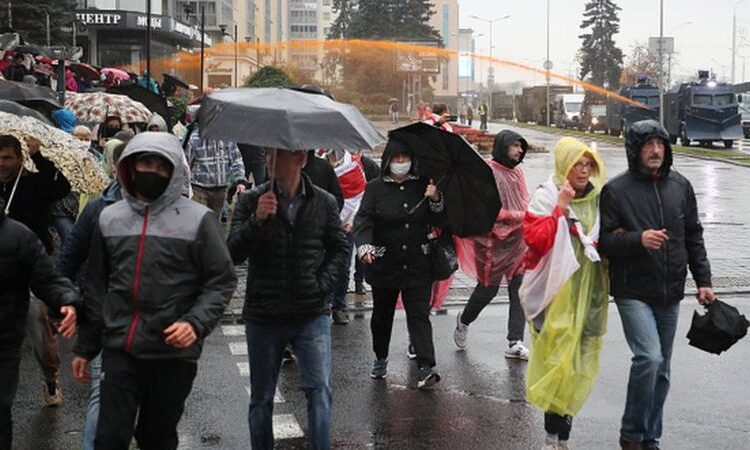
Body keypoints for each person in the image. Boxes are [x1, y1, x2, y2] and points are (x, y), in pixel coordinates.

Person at [71, 132, 237, 449]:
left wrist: (195, 323)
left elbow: (221, 279)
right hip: (121, 348)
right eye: (146, 163)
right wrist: (86, 346)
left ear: (176, 171)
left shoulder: (198, 219)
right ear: (130, 166)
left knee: (156, 437)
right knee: (109, 437)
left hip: (172, 353)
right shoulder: (109, 217)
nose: (153, 172)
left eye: (162, 167)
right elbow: (96, 284)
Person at [598, 120, 714, 450]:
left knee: (663, 368)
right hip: (632, 289)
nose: (656, 150)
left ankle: (650, 437)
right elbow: (603, 241)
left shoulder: (680, 186)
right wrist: (638, 239)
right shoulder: (616, 191)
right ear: (635, 150)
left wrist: (704, 280)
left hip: (670, 289)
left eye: (660, 143)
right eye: (648, 144)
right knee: (648, 357)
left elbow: (693, 235)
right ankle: (631, 434)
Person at [227, 148, 348, 450]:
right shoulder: (251, 200)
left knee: (319, 389)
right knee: (261, 399)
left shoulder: (323, 201)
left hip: (311, 312)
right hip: (264, 313)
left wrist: (322, 285)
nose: (270, 160)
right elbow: (231, 253)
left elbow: (339, 248)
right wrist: (256, 220)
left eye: (279, 155)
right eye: (268, 155)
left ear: (300, 159)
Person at [520, 137, 608, 449]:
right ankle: (550, 434)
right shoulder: (546, 196)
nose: (583, 171)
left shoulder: (598, 200)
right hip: (555, 293)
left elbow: (608, 238)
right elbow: (535, 240)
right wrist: (560, 208)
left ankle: (564, 436)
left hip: (590, 290)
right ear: (563, 165)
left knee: (579, 361)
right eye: (577, 164)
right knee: (558, 362)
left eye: (588, 165)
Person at [353, 138, 445, 389]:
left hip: (417, 262)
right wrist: (364, 246)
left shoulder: (424, 185)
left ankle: (426, 365)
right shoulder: (375, 188)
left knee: (419, 315)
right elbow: (363, 221)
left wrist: (435, 198)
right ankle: (380, 357)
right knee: (382, 316)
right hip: (385, 263)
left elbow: (441, 218)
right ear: (388, 161)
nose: (401, 163)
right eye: (397, 159)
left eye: (405, 159)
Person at [58, 140, 125, 450]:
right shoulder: (98, 210)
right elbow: (68, 259)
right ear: (116, 169)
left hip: (148, 321)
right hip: (102, 315)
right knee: (103, 391)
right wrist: (69, 302)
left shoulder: (164, 210)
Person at [0, 196, 78, 450]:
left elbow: (47, 278)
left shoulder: (17, 236)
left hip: (4, 339)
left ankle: (51, 376)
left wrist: (66, 299)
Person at [0, 134, 71, 407]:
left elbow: (62, 187)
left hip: (31, 269)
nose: (2, 164)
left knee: (39, 331)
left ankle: (51, 377)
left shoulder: (34, 182)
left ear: (19, 158)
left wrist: (39, 157)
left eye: (8, 157)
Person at [453, 130, 530, 359]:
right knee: (488, 289)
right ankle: (464, 320)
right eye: (515, 146)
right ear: (503, 146)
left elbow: (524, 201)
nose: (519, 151)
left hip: (517, 240)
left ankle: (514, 341)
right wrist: (519, 216)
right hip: (490, 242)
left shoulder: (518, 174)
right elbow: (485, 211)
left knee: (519, 287)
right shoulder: (486, 172)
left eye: (521, 146)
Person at [326, 149, 369, 324]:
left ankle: (339, 306)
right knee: (322, 266)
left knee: (343, 268)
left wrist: (352, 220)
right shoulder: (319, 163)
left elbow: (360, 196)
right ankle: (322, 304)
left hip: (347, 226)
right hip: (324, 224)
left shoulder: (354, 165)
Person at [184, 124, 247, 219]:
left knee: (214, 224)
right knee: (200, 221)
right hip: (199, 188)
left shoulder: (226, 136)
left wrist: (240, 181)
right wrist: (184, 188)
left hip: (220, 190)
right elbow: (187, 163)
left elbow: (236, 159)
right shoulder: (196, 137)